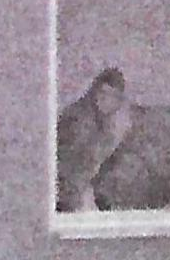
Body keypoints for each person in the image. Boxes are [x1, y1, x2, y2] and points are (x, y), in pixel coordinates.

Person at [54, 67, 132, 213]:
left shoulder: (109, 122)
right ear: (95, 92)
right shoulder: (78, 120)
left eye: (113, 96)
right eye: (102, 93)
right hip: (66, 193)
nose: (106, 100)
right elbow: (74, 166)